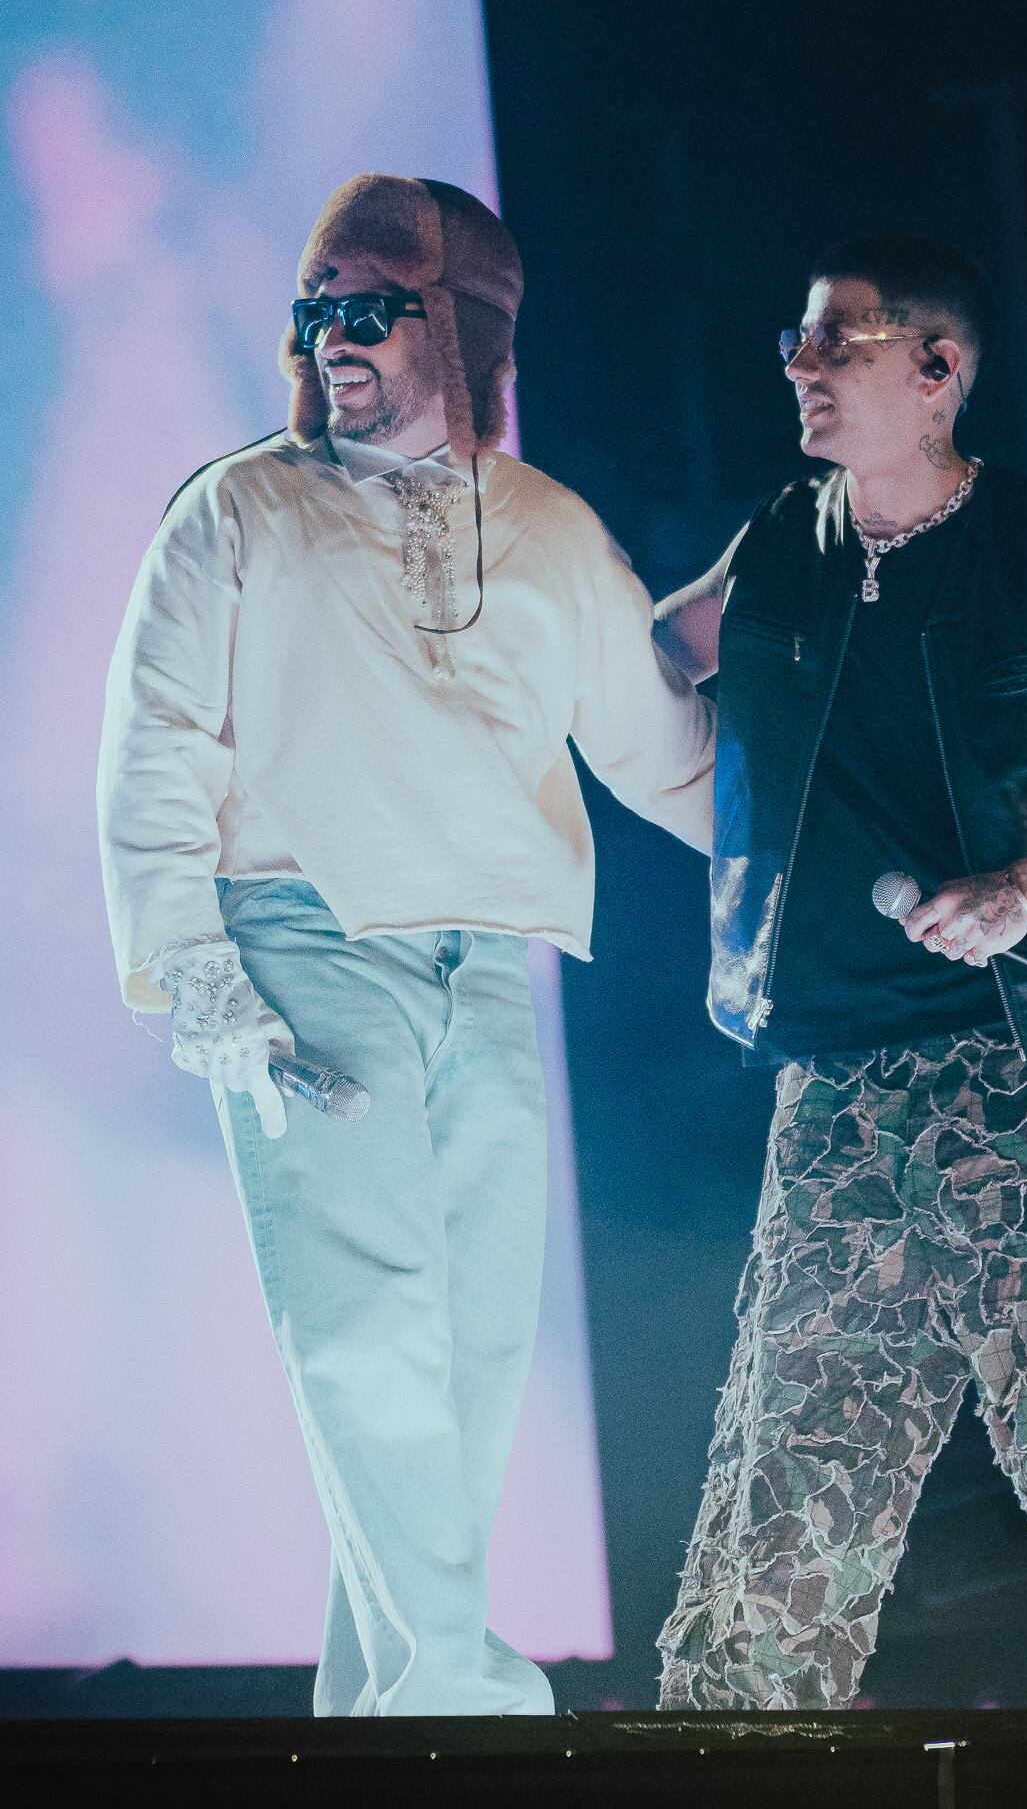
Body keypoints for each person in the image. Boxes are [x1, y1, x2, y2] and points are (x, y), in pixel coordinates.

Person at [97, 173, 715, 1717]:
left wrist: (856, 863)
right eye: (318, 308)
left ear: (468, 329)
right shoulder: (237, 510)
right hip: (305, 951)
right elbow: (151, 750)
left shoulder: (547, 531)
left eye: (373, 307)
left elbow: (668, 759)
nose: (337, 336)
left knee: (465, 1367)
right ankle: (468, 1710)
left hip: (488, 970)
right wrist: (206, 981)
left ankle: (380, 1717)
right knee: (367, 1339)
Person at [652, 234, 1027, 1709]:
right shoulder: (778, 546)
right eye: (794, 344)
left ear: (936, 373)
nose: (799, 368)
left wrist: (1025, 890)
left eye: (833, 344)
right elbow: (649, 665)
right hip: (843, 1083)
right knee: (787, 1498)